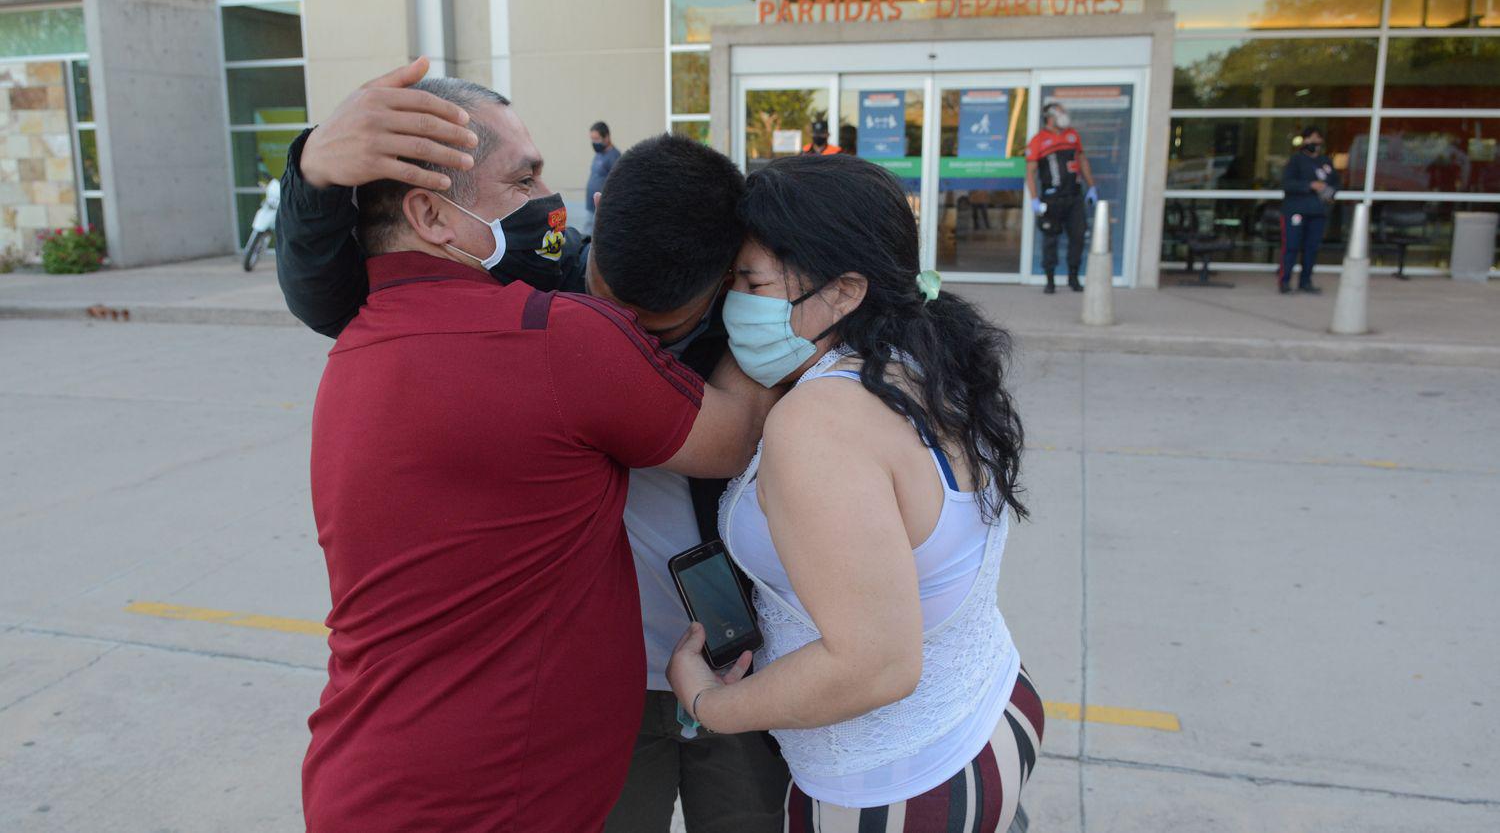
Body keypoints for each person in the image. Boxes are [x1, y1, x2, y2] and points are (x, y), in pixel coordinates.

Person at [276, 60, 792, 832]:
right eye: (524, 180)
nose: (544, 202)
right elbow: (336, 286)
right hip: (602, 706)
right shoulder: (547, 303)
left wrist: (770, 305)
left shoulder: (745, 304)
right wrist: (313, 173)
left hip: (743, 659)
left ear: (723, 279)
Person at [666, 153, 1041, 833]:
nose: (733, 305)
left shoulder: (819, 424)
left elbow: (874, 666)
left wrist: (708, 703)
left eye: (751, 281)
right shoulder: (923, 355)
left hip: (893, 782)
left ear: (843, 291)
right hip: (984, 709)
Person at [1025, 102, 1097, 294]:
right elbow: (1030, 173)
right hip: (1051, 199)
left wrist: (1092, 187)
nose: (1064, 115)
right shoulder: (1038, 140)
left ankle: (1073, 277)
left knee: (1078, 237)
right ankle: (1050, 280)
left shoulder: (1072, 135)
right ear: (1050, 116)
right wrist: (1034, 199)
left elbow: (1082, 161)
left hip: (1074, 197)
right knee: (1050, 240)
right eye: (1060, 112)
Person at [1279, 126, 1339, 295]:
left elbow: (1336, 183)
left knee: (1311, 248)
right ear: (1304, 140)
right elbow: (1287, 184)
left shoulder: (1325, 162)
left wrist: (1330, 192)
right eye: (1310, 139)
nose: (1314, 143)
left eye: (1317, 139)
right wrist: (1309, 185)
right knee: (1291, 247)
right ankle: (1284, 281)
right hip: (1295, 211)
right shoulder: (1295, 161)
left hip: (1318, 213)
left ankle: (1306, 281)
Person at [586, 120, 620, 234]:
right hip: (590, 205)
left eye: (596, 139)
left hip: (602, 208)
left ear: (606, 137)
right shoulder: (599, 154)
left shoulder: (614, 156)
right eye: (592, 139)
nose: (594, 142)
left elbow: (617, 183)